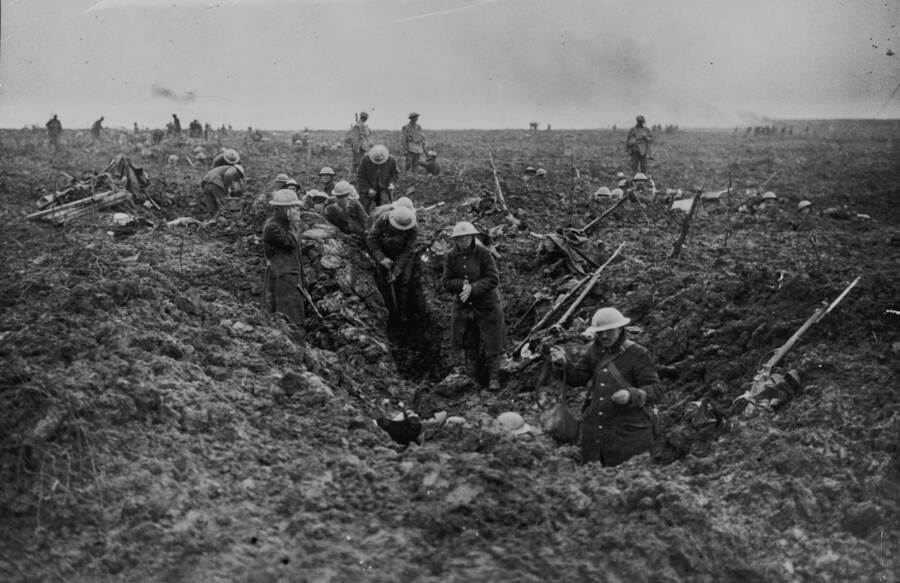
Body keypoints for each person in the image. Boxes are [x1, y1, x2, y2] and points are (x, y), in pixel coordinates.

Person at [551, 307, 660, 466]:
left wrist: (631, 395)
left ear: (620, 328)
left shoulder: (638, 354)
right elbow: (578, 378)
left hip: (627, 436)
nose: (603, 336)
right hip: (596, 435)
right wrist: (563, 365)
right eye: (599, 332)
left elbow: (656, 390)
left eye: (608, 331)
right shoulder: (592, 350)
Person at [441, 221, 506, 391]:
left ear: (472, 237)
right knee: (468, 341)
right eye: (459, 238)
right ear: (454, 240)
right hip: (464, 305)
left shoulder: (483, 253)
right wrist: (463, 285)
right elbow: (446, 282)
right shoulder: (451, 256)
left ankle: (494, 377)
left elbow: (493, 278)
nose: (462, 241)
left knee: (492, 342)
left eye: (466, 237)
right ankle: (472, 378)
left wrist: (474, 288)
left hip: (487, 304)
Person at [262, 189, 306, 327]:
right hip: (282, 277)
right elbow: (291, 242)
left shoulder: (284, 225)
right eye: (291, 207)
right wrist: (295, 223)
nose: (295, 210)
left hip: (290, 275)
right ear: (280, 209)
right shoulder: (272, 227)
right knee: (288, 316)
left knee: (294, 313)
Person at [367, 205, 418, 321]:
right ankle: (386, 311)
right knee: (382, 282)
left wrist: (396, 272)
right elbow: (371, 238)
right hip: (384, 252)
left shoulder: (413, 229)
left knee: (405, 281)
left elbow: (407, 251)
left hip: (403, 255)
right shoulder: (383, 219)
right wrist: (381, 258)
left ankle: (402, 311)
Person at [357, 144, 399, 211]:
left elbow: (395, 174)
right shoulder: (365, 159)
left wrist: (392, 183)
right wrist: (368, 189)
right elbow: (360, 176)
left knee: (386, 208)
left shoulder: (391, 160)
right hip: (368, 186)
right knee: (362, 208)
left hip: (384, 187)